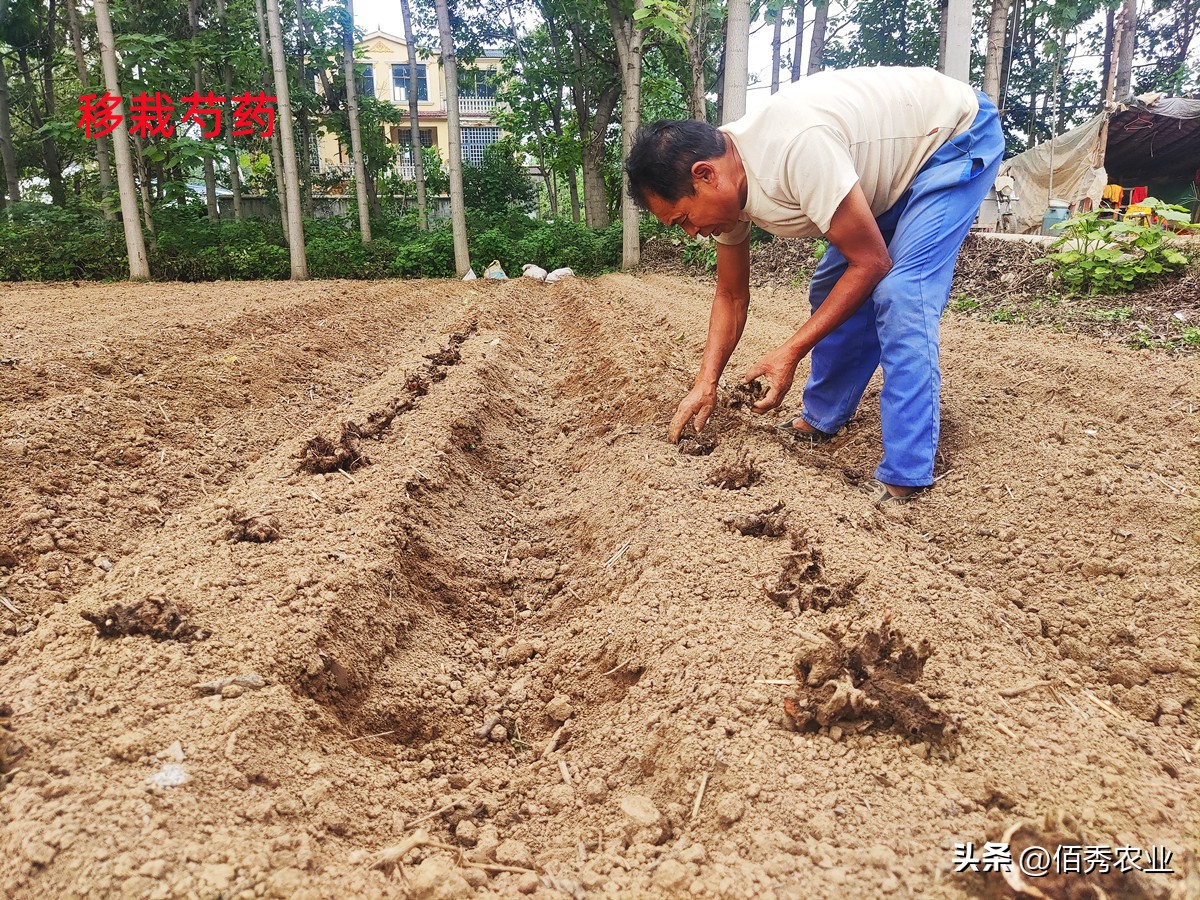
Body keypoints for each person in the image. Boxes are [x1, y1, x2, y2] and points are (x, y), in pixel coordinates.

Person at [625, 66, 1004, 505]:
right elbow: (731, 295)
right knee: (832, 286)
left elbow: (872, 262)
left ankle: (906, 473)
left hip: (950, 137)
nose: (691, 232)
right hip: (891, 169)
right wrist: (705, 382)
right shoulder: (729, 181)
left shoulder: (795, 148)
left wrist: (789, 352)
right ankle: (822, 418)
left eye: (685, 219)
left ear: (706, 175)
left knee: (902, 293)